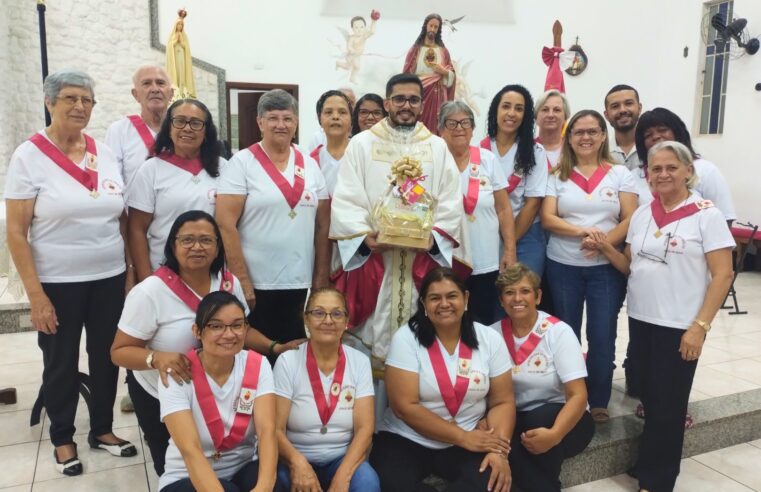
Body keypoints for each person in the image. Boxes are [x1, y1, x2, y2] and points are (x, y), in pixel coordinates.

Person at [5, 70, 135, 476]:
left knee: (106, 356)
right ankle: (62, 436)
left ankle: (102, 429)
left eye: (87, 100)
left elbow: (122, 217)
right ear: (50, 102)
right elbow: (15, 232)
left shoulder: (104, 151)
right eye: (70, 99)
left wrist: (128, 271)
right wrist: (36, 295)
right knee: (60, 361)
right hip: (57, 282)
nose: (80, 107)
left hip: (108, 275)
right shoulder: (29, 155)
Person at [590, 141, 734, 491]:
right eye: (657, 169)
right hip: (642, 320)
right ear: (648, 176)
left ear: (688, 171)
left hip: (679, 325)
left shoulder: (706, 214)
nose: (664, 174)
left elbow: (724, 274)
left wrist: (699, 327)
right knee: (651, 400)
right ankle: (647, 464)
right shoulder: (642, 214)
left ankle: (657, 481)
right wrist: (607, 247)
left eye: (672, 167)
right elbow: (631, 266)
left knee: (669, 408)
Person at [112, 211, 293, 476]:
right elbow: (118, 351)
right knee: (179, 468)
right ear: (173, 245)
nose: (197, 247)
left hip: (217, 395)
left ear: (218, 246)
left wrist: (273, 347)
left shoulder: (229, 284)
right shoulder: (150, 292)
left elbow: (242, 329)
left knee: (221, 466)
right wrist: (156, 358)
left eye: (206, 240)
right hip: (162, 393)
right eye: (187, 240)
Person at [329, 73, 464, 372]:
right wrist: (365, 237)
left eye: (413, 100)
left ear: (421, 104)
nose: (407, 105)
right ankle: (371, 412)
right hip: (377, 259)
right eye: (400, 99)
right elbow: (348, 195)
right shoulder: (362, 144)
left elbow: (451, 199)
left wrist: (434, 237)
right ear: (387, 102)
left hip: (419, 258)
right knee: (369, 340)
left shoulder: (437, 148)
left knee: (420, 340)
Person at [370, 267, 514, 492]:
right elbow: (403, 407)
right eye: (435, 298)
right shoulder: (406, 339)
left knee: (492, 483)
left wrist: (498, 451)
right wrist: (462, 438)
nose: (444, 304)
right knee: (390, 484)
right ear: (424, 305)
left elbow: (502, 401)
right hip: (407, 437)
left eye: (452, 296)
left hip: (469, 434)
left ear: (465, 298)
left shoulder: (489, 339)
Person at [540, 109, 637, 423]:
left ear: (602, 135)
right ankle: (569, 395)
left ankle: (598, 398)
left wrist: (604, 242)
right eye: (579, 132)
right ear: (569, 137)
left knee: (602, 334)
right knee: (566, 333)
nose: (585, 137)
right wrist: (584, 232)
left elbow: (631, 217)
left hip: (605, 267)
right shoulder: (557, 174)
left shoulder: (620, 173)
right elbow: (548, 218)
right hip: (562, 265)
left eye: (592, 131)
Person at [217, 89, 330, 348]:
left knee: (295, 356)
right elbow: (225, 223)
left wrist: (320, 276)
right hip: (257, 284)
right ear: (260, 122)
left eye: (288, 118)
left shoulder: (310, 164)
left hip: (300, 282)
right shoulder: (242, 163)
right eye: (273, 118)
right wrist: (241, 279)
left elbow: (323, 226)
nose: (281, 125)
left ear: (296, 123)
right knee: (259, 358)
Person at [157, 291, 278, 491]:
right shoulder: (177, 373)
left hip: (242, 468)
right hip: (186, 477)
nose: (229, 334)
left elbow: (267, 431)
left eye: (237, 325)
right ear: (197, 331)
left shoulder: (258, 364)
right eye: (216, 326)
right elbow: (191, 450)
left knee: (279, 480)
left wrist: (264, 487)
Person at [491, 264, 594, 492]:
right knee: (513, 444)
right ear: (501, 301)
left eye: (525, 291)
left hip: (567, 420)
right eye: (509, 292)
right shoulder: (492, 334)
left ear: (538, 296)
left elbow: (578, 395)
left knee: (537, 423)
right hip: (515, 420)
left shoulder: (559, 332)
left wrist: (555, 435)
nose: (517, 298)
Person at [274, 287, 380, 492]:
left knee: (367, 483)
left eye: (337, 313)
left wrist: (343, 476)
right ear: (306, 319)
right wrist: (298, 463)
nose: (328, 320)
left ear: (346, 321)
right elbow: (275, 429)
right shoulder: (288, 361)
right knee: (278, 483)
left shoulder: (359, 361)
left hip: (341, 457)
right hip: (295, 457)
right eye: (319, 313)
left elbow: (365, 429)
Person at [127, 98, 224, 282]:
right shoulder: (151, 169)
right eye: (179, 121)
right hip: (164, 272)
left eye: (196, 123)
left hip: (212, 272)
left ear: (206, 131)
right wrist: (146, 277)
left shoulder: (225, 168)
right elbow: (136, 229)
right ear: (169, 127)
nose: (187, 128)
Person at [438, 100, 517, 325]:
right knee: (448, 319)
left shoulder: (487, 159)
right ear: (440, 129)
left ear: (473, 129)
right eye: (451, 123)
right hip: (445, 258)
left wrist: (509, 251)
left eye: (465, 122)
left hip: (486, 258)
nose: (459, 128)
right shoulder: (436, 160)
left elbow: (503, 209)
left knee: (483, 321)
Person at [482, 85, 549, 277]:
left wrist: (508, 242)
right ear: (496, 110)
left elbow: (533, 203)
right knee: (495, 298)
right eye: (506, 106)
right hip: (490, 232)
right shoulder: (482, 150)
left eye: (519, 109)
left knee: (522, 294)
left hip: (525, 233)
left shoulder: (535, 152)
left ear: (526, 115)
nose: (511, 113)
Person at [632, 107, 736, 224]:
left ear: (677, 132)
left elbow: (725, 218)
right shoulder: (634, 176)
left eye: (662, 130)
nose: (656, 136)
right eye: (648, 135)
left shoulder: (706, 170)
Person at [105, 65, 174, 192]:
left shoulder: (182, 130)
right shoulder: (119, 130)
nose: (155, 89)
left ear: (171, 94)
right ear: (135, 94)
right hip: (134, 210)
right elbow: (112, 181)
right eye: (146, 83)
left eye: (160, 83)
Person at [402, 13, 456, 133]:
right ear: (425, 26)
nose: (432, 29)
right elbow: (406, 75)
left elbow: (451, 73)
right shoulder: (416, 49)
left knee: (437, 125)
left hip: (438, 95)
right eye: (431, 25)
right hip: (420, 93)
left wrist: (444, 72)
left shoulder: (443, 51)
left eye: (436, 27)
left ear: (438, 30)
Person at [309, 90, 353, 195]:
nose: (335, 117)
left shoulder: (360, 152)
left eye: (342, 112)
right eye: (328, 112)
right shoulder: (312, 160)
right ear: (320, 119)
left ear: (351, 119)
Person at [603, 84, 643, 170]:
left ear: (639, 108)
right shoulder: (601, 152)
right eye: (615, 106)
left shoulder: (651, 146)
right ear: (606, 115)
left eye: (628, 103)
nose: (622, 110)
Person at [335, 13, 379, 83]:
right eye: (356, 27)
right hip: (351, 56)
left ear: (365, 28)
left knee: (350, 67)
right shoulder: (352, 38)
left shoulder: (363, 36)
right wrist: (351, 50)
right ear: (352, 28)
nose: (359, 30)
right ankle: (350, 76)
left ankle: (340, 65)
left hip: (358, 56)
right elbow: (348, 46)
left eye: (362, 27)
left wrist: (374, 21)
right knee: (355, 67)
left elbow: (372, 32)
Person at [534, 89, 571, 167]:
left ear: (565, 117)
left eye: (557, 110)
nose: (550, 115)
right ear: (536, 117)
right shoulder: (525, 149)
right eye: (545, 110)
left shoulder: (573, 149)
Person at [166, 8, 196, 99]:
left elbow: (186, 48)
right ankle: (176, 91)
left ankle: (183, 91)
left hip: (182, 58)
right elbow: (169, 47)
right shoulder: (172, 35)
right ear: (176, 25)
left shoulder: (184, 36)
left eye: (181, 25)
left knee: (182, 73)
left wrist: (182, 42)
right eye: (178, 24)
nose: (180, 26)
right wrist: (175, 41)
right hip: (175, 59)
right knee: (176, 74)